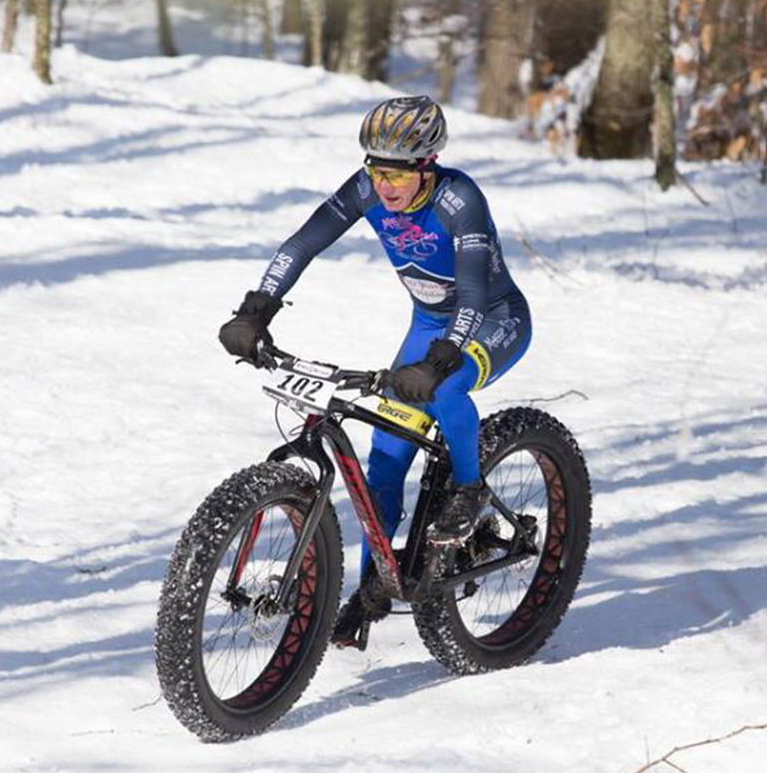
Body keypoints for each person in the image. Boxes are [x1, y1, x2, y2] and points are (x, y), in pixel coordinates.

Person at [218, 95, 532, 648]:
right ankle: (370, 594)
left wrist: (442, 359)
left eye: (397, 173)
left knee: (448, 388)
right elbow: (302, 243)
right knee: (384, 467)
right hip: (430, 324)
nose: (384, 185)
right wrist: (256, 309)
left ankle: (469, 487)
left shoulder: (460, 200)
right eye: (375, 168)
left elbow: (477, 292)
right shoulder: (366, 188)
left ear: (426, 166)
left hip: (490, 321)